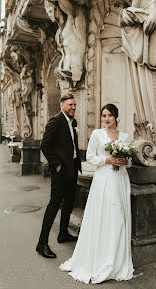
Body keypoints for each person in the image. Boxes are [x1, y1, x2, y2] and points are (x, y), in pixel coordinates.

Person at [59, 104, 134, 284]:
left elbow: (130, 162)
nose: (106, 119)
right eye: (103, 116)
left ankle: (117, 260)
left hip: (121, 180)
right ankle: (101, 259)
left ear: (116, 116)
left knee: (120, 218)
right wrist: (107, 159)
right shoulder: (97, 135)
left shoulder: (125, 137)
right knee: (106, 216)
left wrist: (124, 161)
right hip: (104, 180)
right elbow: (90, 157)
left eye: (109, 115)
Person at [36, 93, 82, 259]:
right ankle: (42, 244)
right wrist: (56, 164)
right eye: (70, 105)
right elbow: (44, 145)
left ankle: (63, 233)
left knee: (69, 203)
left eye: (75, 105)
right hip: (61, 171)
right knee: (54, 205)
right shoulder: (55, 121)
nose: (73, 108)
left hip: (73, 169)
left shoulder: (73, 122)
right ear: (62, 105)